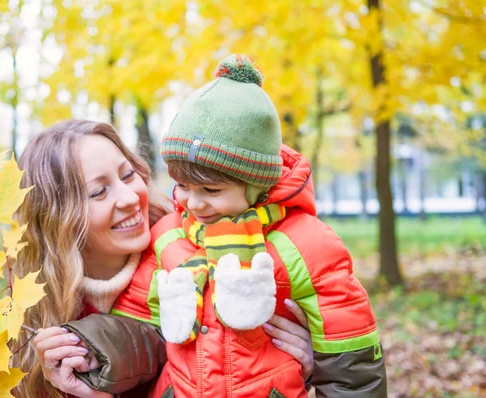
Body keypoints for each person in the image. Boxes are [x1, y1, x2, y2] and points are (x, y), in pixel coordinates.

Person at [94, 54, 388, 397]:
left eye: (212, 190)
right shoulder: (169, 236)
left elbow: (350, 357)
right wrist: (92, 346)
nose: (194, 202)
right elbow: (137, 324)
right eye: (184, 186)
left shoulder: (306, 244)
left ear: (256, 186)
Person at [12, 119, 315, 397]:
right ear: (56, 220)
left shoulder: (200, 253)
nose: (131, 197)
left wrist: (307, 361)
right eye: (99, 192)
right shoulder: (36, 316)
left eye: (128, 175)